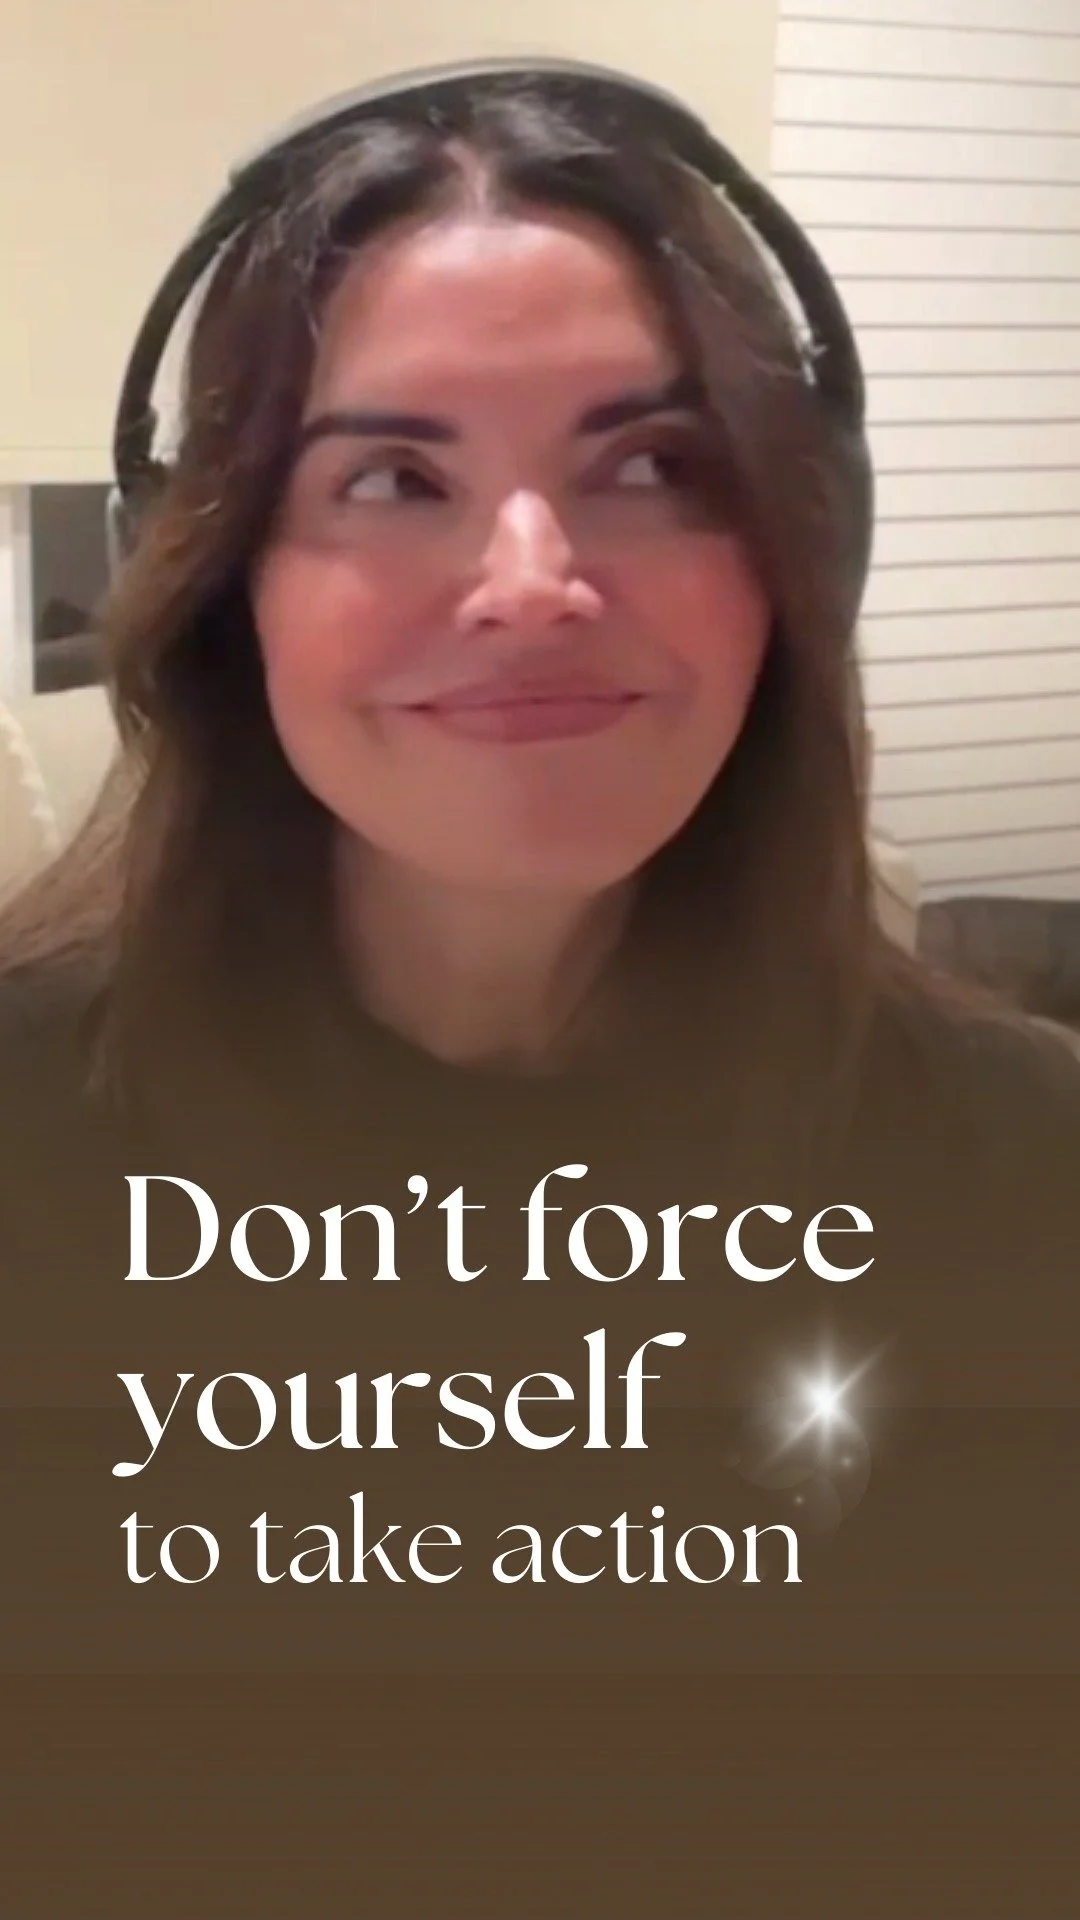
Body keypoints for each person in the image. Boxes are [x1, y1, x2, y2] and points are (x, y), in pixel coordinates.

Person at [1, 64, 1077, 1907]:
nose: (534, 580)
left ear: (797, 556)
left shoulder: (1023, 1169)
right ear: (228, 583)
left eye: (653, 466)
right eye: (393, 478)